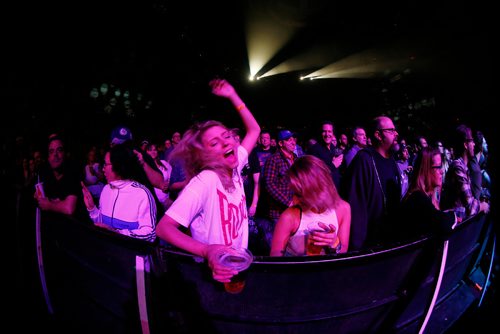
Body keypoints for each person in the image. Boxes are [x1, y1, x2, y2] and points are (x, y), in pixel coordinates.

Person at [155, 79, 260, 283]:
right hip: (209, 273)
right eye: (214, 143)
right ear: (204, 156)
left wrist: (232, 96)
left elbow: (254, 130)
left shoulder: (235, 167)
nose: (226, 142)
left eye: (226, 136)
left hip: (235, 265)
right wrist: (206, 251)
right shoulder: (206, 180)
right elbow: (164, 228)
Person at [341, 116, 402, 251]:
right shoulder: (364, 160)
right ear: (378, 135)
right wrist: (358, 250)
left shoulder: (391, 161)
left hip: (390, 240)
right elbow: (356, 205)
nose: (396, 133)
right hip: (371, 245)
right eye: (391, 130)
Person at [270, 155, 351, 256]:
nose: (294, 199)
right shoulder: (289, 216)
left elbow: (343, 251)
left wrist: (334, 243)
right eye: (294, 192)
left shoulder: (343, 209)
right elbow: (275, 256)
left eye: (299, 194)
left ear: (318, 189)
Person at [81, 143, 157, 242]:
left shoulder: (142, 194)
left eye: (106, 164)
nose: (103, 169)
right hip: (107, 253)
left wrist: (118, 234)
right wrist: (92, 209)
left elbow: (150, 234)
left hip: (130, 255)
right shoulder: (106, 189)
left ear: (118, 165)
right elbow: (102, 225)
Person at [397, 147, 457, 242]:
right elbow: (444, 225)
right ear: (426, 170)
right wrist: (454, 216)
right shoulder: (418, 198)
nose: (441, 172)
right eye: (438, 167)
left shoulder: (426, 196)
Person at [35, 135, 85, 217]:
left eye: (59, 150)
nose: (55, 154)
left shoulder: (73, 174)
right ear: (48, 158)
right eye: (51, 151)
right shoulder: (46, 175)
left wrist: (50, 205)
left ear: (65, 154)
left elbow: (69, 209)